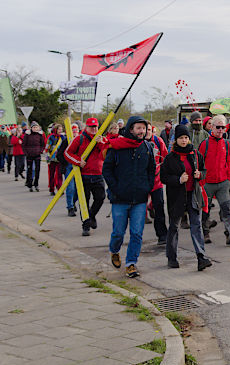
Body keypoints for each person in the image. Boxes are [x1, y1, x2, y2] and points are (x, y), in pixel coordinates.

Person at [102, 116, 155, 278]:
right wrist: (115, 188)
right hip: (120, 198)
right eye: (138, 128)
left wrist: (147, 187)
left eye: (144, 128)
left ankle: (131, 263)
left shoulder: (147, 147)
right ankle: (115, 250)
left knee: (137, 233)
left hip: (139, 198)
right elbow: (107, 170)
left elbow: (151, 170)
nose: (142, 131)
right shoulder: (116, 147)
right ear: (131, 129)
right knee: (118, 232)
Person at [161, 124, 211, 271]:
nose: (184, 140)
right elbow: (163, 177)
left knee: (196, 225)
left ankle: (201, 257)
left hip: (193, 195)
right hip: (176, 197)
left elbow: (204, 171)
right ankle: (171, 257)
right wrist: (178, 179)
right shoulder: (170, 158)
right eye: (181, 138)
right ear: (176, 140)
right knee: (174, 226)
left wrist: (200, 174)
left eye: (186, 138)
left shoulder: (195, 154)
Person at [65, 117, 109, 236]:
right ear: (86, 127)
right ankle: (86, 226)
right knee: (83, 201)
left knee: (100, 198)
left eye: (95, 127)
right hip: (83, 176)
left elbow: (106, 156)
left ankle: (91, 216)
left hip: (98, 175)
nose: (94, 129)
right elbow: (67, 153)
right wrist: (78, 161)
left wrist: (102, 144)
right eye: (91, 127)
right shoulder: (79, 139)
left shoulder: (102, 139)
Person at [198, 114, 230, 245]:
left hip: (223, 182)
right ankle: (205, 232)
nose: (221, 130)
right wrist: (201, 181)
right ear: (212, 127)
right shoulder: (205, 144)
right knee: (205, 210)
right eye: (218, 127)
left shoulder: (226, 144)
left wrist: (228, 178)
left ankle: (229, 234)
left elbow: (228, 161)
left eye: (223, 127)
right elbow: (199, 163)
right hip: (208, 183)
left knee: (226, 210)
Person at [145, 122, 168, 245]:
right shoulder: (137, 143)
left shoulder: (158, 141)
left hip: (156, 182)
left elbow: (165, 157)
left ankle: (162, 235)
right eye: (145, 129)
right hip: (142, 182)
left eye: (149, 129)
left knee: (159, 208)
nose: (147, 132)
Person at [22, 122, 46, 192]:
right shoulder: (27, 135)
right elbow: (23, 145)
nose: (35, 128)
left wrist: (40, 151)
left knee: (37, 170)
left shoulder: (40, 135)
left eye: (36, 127)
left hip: (37, 155)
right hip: (29, 155)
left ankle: (36, 184)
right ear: (31, 128)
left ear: (38, 128)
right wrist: (26, 153)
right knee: (29, 170)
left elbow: (43, 145)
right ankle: (30, 184)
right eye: (34, 127)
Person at [45, 124, 64, 195]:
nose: (60, 131)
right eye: (59, 129)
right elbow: (47, 148)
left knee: (59, 175)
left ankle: (60, 188)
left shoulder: (63, 138)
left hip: (59, 159)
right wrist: (48, 159)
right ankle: (51, 189)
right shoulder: (51, 138)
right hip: (52, 159)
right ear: (55, 129)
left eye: (61, 129)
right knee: (51, 175)